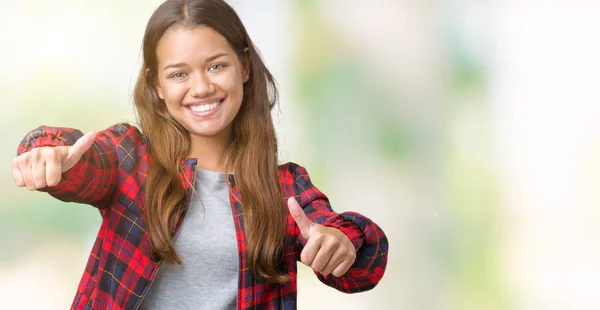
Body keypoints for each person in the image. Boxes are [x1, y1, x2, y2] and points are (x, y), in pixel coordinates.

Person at [11, 0, 388, 309]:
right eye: (179, 74)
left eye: (216, 66)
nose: (202, 87)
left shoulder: (285, 187)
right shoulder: (130, 160)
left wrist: (343, 243)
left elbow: (360, 267)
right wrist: (44, 152)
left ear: (243, 66)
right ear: (156, 84)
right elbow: (81, 163)